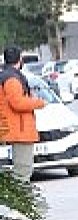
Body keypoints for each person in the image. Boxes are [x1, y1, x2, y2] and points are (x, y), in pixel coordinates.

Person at [0, 46, 46, 182]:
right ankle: (20, 202)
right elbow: (17, 103)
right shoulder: (12, 79)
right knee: (23, 171)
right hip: (19, 130)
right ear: (20, 60)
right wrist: (39, 103)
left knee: (21, 170)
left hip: (14, 129)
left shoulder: (6, 76)